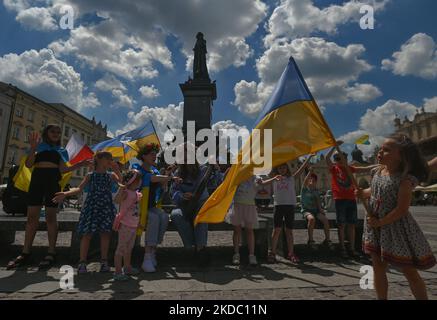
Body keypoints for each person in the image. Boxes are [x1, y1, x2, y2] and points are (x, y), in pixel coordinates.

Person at [357, 133, 436, 300]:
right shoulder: (378, 172)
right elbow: (375, 191)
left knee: (409, 270)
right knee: (377, 266)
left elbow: (401, 209)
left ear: (401, 156)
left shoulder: (405, 180)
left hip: (396, 228)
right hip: (375, 225)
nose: (380, 152)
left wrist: (380, 222)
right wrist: (362, 193)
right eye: (380, 148)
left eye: (386, 150)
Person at [7, 125, 90, 270]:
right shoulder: (39, 147)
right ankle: (25, 253)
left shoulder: (61, 150)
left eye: (58, 132)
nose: (57, 134)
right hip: (37, 181)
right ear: (46, 133)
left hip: (53, 181)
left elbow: (63, 169)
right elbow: (28, 164)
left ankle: (51, 252)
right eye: (53, 131)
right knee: (31, 218)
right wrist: (33, 147)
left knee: (51, 218)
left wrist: (80, 164)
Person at [52, 151, 122, 273]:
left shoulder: (111, 175)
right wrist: (65, 193)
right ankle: (82, 262)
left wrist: (117, 171)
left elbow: (122, 184)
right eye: (108, 158)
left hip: (105, 206)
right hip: (92, 206)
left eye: (111, 159)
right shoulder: (90, 175)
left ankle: (104, 261)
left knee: (105, 234)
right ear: (99, 159)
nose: (111, 161)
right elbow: (79, 188)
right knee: (87, 234)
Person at [132, 143, 179, 273]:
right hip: (137, 207)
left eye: (155, 154)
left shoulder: (156, 170)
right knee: (153, 218)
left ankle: (152, 250)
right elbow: (149, 178)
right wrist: (169, 177)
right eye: (151, 154)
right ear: (143, 156)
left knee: (164, 216)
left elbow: (161, 187)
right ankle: (147, 257)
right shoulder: (136, 168)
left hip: (151, 205)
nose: (155, 156)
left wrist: (167, 177)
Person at [258, 156, 313, 264]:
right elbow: (262, 183)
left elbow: (301, 168)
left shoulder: (291, 178)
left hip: (289, 206)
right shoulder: (275, 179)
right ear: (277, 170)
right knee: (276, 230)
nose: (282, 170)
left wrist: (309, 157)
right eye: (280, 168)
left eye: (284, 168)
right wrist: (272, 178)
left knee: (289, 231)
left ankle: (291, 253)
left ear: (287, 169)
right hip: (278, 206)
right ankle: (272, 253)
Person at [326, 142, 377, 258]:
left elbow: (364, 168)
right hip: (339, 199)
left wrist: (378, 165)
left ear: (346, 159)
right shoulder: (334, 169)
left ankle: (352, 248)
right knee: (341, 225)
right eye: (336, 158)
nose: (338, 160)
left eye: (340, 158)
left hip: (351, 199)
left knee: (352, 225)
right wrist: (334, 146)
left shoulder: (350, 168)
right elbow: (326, 158)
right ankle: (342, 248)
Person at [170, 160, 211, 267]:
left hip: (200, 204)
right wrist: (182, 195)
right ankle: (190, 246)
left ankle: (200, 249)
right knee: (175, 215)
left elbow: (212, 185)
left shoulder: (203, 170)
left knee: (200, 217)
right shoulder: (178, 173)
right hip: (184, 206)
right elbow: (173, 192)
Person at [112, 169, 143, 281]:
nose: (140, 182)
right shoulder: (125, 192)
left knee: (129, 248)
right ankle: (117, 271)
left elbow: (137, 210)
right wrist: (121, 189)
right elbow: (116, 200)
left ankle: (127, 267)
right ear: (132, 181)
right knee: (121, 248)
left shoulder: (136, 193)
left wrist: (138, 222)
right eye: (138, 180)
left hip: (133, 224)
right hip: (125, 224)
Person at [227, 176, 259, 266]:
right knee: (237, 230)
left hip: (250, 206)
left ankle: (252, 255)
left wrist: (272, 178)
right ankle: (236, 254)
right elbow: (228, 182)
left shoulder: (254, 177)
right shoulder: (238, 175)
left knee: (250, 230)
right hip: (237, 205)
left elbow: (262, 182)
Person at [300, 168, 334, 250]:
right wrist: (310, 172)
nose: (312, 181)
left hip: (316, 211)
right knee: (311, 219)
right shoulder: (304, 189)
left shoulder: (316, 191)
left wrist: (321, 210)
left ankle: (327, 240)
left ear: (316, 182)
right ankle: (311, 240)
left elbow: (318, 202)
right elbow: (305, 180)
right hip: (306, 210)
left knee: (325, 220)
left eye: (314, 180)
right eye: (310, 180)